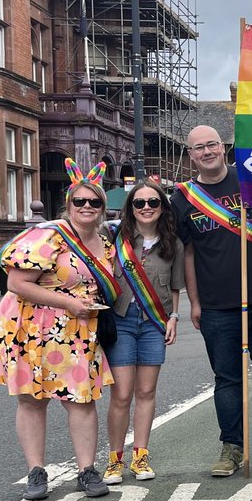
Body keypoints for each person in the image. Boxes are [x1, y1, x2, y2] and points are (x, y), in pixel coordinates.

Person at [0, 158, 117, 500]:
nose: (87, 207)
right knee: (32, 400)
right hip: (30, 326)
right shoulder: (48, 236)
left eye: (94, 201)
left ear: (102, 207)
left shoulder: (107, 242)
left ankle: (86, 470)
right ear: (68, 204)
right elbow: (16, 283)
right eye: (79, 201)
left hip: (79, 328)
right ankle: (36, 472)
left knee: (81, 400)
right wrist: (68, 302)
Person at [172, 125, 252, 477]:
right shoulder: (183, 200)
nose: (207, 152)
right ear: (191, 155)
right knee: (226, 378)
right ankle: (232, 446)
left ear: (222, 148)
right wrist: (194, 302)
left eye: (211, 145)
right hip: (216, 305)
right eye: (199, 148)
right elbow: (188, 255)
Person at [101, 180, 184, 484]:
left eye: (153, 202)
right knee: (121, 393)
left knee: (146, 391)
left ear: (162, 207)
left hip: (154, 322)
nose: (147, 208)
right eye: (140, 203)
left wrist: (174, 316)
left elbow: (175, 286)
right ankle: (114, 459)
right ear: (131, 207)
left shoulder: (172, 243)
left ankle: (140, 455)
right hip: (121, 319)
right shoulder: (112, 236)